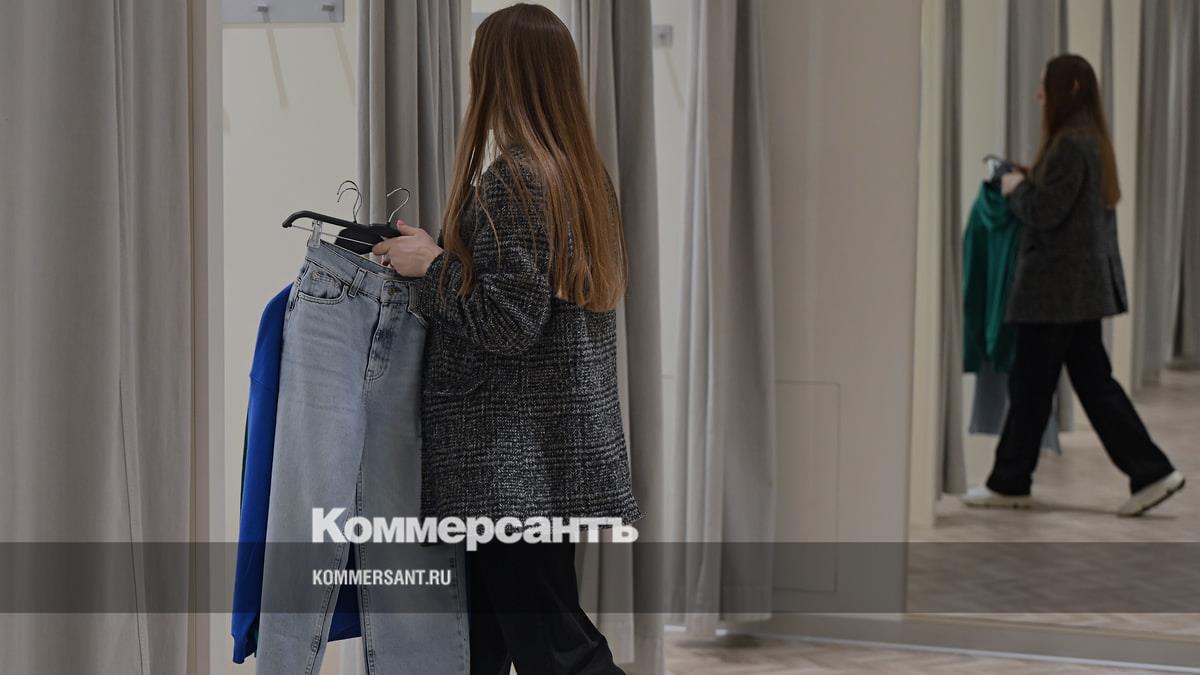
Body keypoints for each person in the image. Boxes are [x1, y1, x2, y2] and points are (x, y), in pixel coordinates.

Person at [371, 4, 638, 673]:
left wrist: (431, 265)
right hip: (544, 458)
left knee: (556, 649)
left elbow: (506, 321)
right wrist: (439, 257)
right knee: (485, 645)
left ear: (495, 76)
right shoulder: (581, 177)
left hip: (504, 464)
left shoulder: (515, 181)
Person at [962, 54, 1185, 517]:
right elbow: (1064, 201)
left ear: (1072, 89)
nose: (1038, 95)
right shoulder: (1087, 140)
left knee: (1035, 386)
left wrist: (1014, 188)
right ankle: (1147, 471)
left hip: (1056, 291)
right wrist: (1028, 176)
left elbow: (1045, 212)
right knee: (1078, 383)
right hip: (1075, 290)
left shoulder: (1070, 144)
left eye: (1045, 86)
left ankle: (1013, 481)